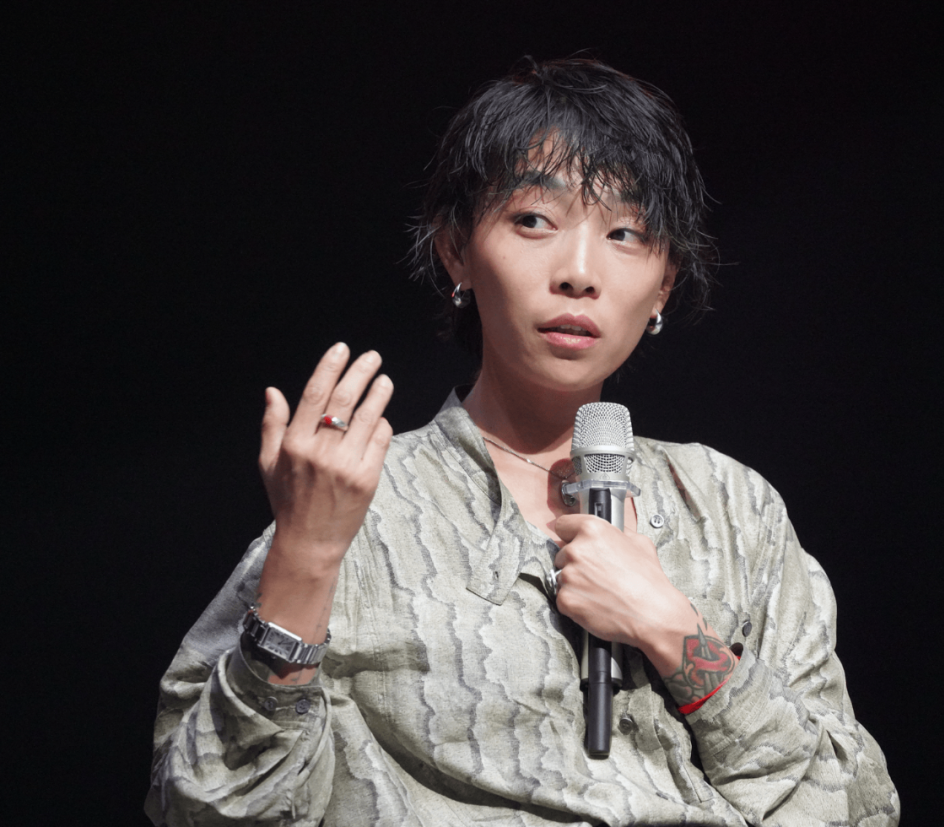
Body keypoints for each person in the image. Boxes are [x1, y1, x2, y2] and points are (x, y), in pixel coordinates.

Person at [146, 58, 899, 826]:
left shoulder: (733, 508)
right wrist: (306, 558)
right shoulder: (359, 505)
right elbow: (204, 807)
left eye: (626, 232)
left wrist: (672, 628)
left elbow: (854, 807)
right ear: (456, 251)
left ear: (664, 284)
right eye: (534, 220)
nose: (579, 272)